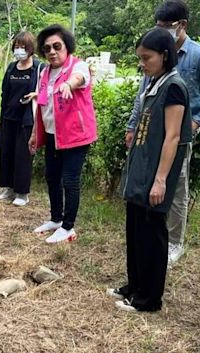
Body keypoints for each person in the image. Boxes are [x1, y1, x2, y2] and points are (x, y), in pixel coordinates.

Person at [108, 27, 192, 312]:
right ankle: (134, 287)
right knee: (135, 230)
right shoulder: (154, 83)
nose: (142, 64)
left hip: (155, 174)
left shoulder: (174, 87)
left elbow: (173, 136)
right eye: (140, 59)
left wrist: (160, 180)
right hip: (141, 171)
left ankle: (148, 299)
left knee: (152, 235)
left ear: (164, 56)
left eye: (147, 58)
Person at [126, 0, 200, 265]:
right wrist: (133, 125)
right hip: (152, 130)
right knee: (151, 183)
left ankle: (174, 241)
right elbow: (142, 94)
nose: (162, 31)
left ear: (182, 25)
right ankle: (152, 237)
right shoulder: (153, 54)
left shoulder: (196, 54)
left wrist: (196, 121)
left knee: (175, 184)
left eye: (167, 27)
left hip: (177, 134)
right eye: (158, 27)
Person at [28, 24, 97, 243]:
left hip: (75, 135)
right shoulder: (45, 72)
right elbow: (42, 105)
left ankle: (68, 227)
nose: (52, 52)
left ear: (67, 47)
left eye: (57, 46)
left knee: (70, 180)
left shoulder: (79, 66)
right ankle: (56, 219)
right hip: (51, 134)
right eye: (47, 48)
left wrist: (68, 84)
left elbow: (78, 79)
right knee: (51, 177)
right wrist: (34, 134)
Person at [0, 31, 43, 207]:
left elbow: (48, 88)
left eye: (23, 47)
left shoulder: (39, 68)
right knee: (6, 152)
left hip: (27, 119)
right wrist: (1, 117)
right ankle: (8, 188)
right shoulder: (11, 67)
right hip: (9, 116)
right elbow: (4, 93)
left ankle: (22, 193)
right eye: (16, 46)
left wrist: (37, 94)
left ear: (31, 49)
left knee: (22, 155)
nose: (19, 50)